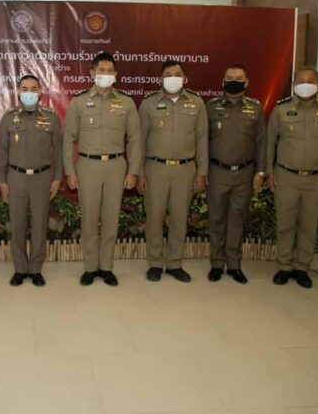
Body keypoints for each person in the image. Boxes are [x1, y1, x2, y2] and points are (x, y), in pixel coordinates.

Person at [63, 53, 142, 286]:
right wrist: (70, 171)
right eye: (101, 70)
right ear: (92, 72)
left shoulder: (126, 102)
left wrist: (133, 171)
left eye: (110, 71)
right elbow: (68, 139)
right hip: (87, 166)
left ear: (116, 74)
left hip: (116, 166)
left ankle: (106, 267)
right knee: (89, 219)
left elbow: (135, 139)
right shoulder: (78, 102)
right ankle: (90, 267)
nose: (105, 74)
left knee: (111, 218)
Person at [266, 66, 318, 289]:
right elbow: (270, 142)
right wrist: (269, 171)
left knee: (309, 225)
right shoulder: (281, 110)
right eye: (300, 80)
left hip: (317, 178)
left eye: (310, 81)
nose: (305, 84)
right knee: (285, 224)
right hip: (286, 176)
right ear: (294, 85)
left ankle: (302, 267)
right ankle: (284, 266)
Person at [138, 59, 207, 283]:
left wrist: (202, 172)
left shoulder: (196, 103)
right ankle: (155, 263)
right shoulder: (149, 103)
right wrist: (139, 173)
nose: (173, 78)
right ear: (161, 78)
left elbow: (202, 140)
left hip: (185, 170)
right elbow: (139, 141)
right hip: (155, 168)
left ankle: (175, 263)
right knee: (154, 217)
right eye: (168, 75)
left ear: (185, 78)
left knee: (179, 218)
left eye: (177, 74)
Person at [0, 74, 63, 287]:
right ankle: (19, 268)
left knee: (39, 224)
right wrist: (2, 180)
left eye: (33, 89)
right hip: (15, 177)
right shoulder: (9, 117)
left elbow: (58, 150)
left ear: (40, 92)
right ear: (18, 92)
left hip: (42, 178)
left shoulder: (51, 118)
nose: (29, 93)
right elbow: (2, 152)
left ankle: (35, 269)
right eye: (24, 88)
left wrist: (58, 177)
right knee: (17, 225)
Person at [205, 65, 266, 284]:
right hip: (217, 171)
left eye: (239, 78)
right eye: (229, 77)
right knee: (216, 218)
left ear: (246, 82)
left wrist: (261, 170)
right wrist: (202, 171)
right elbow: (202, 141)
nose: (234, 81)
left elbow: (261, 142)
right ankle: (216, 263)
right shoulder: (211, 107)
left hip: (244, 173)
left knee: (238, 219)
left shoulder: (255, 108)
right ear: (223, 81)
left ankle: (234, 265)